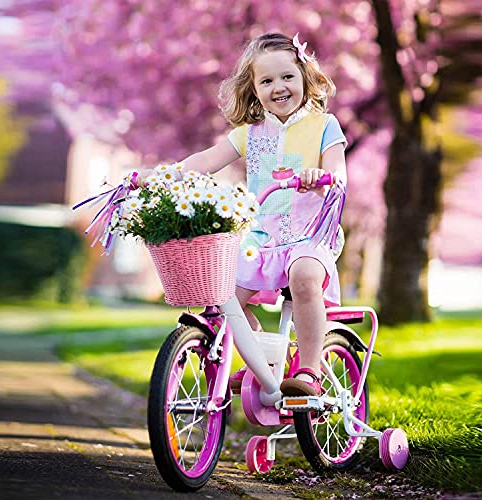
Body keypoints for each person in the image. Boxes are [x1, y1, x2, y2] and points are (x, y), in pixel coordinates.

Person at [147, 32, 347, 397]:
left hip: (310, 233)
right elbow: (204, 161)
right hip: (260, 237)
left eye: (287, 76)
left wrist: (321, 177)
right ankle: (262, 361)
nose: (279, 87)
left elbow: (339, 174)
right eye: (266, 81)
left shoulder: (324, 126)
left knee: (304, 278)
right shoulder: (250, 134)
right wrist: (158, 177)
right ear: (254, 89)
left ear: (304, 76)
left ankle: (309, 370)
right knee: (221, 295)